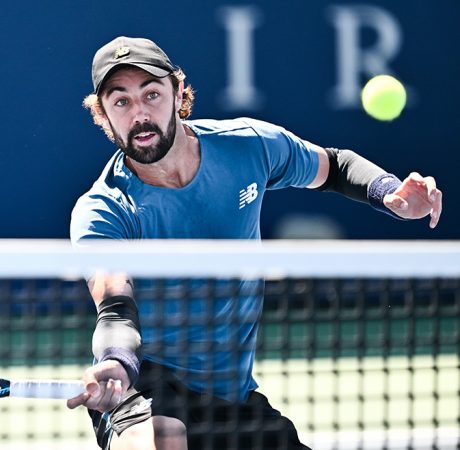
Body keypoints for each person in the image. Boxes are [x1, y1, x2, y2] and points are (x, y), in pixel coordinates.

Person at [66, 36, 443, 450]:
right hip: (147, 385)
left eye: (151, 94)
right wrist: (117, 363)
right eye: (120, 102)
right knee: (160, 439)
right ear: (103, 115)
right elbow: (116, 308)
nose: (139, 114)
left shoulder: (248, 146)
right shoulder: (103, 210)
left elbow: (333, 165)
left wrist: (390, 193)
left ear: (178, 94)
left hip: (230, 395)